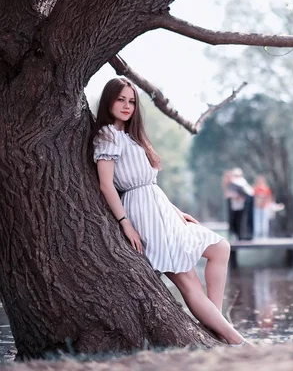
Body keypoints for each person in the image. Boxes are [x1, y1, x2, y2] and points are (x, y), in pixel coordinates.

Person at [92, 77, 246, 346]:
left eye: (131, 101)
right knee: (187, 279)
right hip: (142, 214)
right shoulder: (108, 135)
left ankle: (217, 323)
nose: (127, 106)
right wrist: (125, 223)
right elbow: (106, 185)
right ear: (109, 101)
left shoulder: (131, 137)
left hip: (160, 208)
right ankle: (238, 342)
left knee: (220, 248)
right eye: (121, 100)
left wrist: (176, 211)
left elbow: (151, 184)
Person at [224, 168, 254, 240]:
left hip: (242, 206)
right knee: (235, 221)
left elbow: (246, 194)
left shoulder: (242, 182)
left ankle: (242, 235)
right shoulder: (232, 183)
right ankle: (236, 235)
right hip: (235, 206)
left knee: (241, 221)